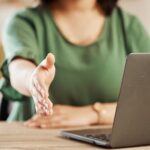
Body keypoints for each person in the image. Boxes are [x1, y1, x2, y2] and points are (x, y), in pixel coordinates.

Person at [1, 0, 150, 128]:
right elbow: (18, 67)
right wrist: (32, 80)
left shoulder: (129, 26)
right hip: (32, 139)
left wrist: (94, 113)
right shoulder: (24, 21)